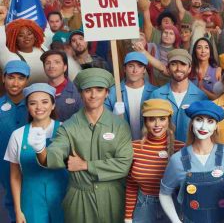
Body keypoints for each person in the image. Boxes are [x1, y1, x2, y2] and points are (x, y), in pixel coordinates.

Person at [27, 68, 134, 222]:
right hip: (79, 198)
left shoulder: (119, 126)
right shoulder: (69, 127)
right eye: (88, 90)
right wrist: (40, 149)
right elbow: (53, 155)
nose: (93, 95)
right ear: (81, 94)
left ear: (107, 93)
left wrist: (85, 165)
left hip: (113, 197)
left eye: (99, 90)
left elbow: (124, 165)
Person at [159, 100, 224, 223]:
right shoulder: (177, 160)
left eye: (210, 121)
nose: (203, 127)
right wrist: (176, 221)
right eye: (199, 119)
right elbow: (164, 193)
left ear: (216, 126)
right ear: (192, 123)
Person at [4, 83, 68, 223]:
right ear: (27, 107)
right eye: (33, 103)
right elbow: (15, 177)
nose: (39, 107)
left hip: (63, 197)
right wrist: (18, 210)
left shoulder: (66, 130)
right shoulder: (18, 135)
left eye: (45, 102)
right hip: (31, 201)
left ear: (53, 105)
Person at [124, 99, 185, 223]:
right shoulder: (133, 147)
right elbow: (131, 185)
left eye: (162, 118)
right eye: (152, 119)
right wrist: (128, 217)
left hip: (173, 206)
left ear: (169, 120)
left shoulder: (181, 149)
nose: (157, 124)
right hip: (144, 207)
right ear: (145, 122)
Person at [150, 49, 208, 141]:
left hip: (190, 152)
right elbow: (148, 128)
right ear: (168, 68)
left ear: (189, 68)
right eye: (174, 64)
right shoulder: (156, 95)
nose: (178, 68)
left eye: (183, 64)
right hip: (162, 151)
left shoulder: (201, 97)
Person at [0, 60, 30, 222]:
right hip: (3, 173)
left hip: (31, 169)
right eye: (11, 77)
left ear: (27, 81)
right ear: (3, 78)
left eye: (21, 78)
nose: (15, 83)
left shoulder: (35, 107)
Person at [105, 52, 157, 140]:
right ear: (124, 69)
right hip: (121, 144)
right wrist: (112, 116)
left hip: (148, 145)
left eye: (140, 66)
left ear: (144, 70)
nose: (135, 70)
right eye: (131, 66)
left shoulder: (155, 92)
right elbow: (103, 122)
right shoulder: (112, 92)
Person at [41, 50, 82, 122]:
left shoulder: (78, 92)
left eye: (57, 62)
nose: (51, 66)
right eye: (48, 63)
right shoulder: (39, 92)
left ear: (65, 67)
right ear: (44, 68)